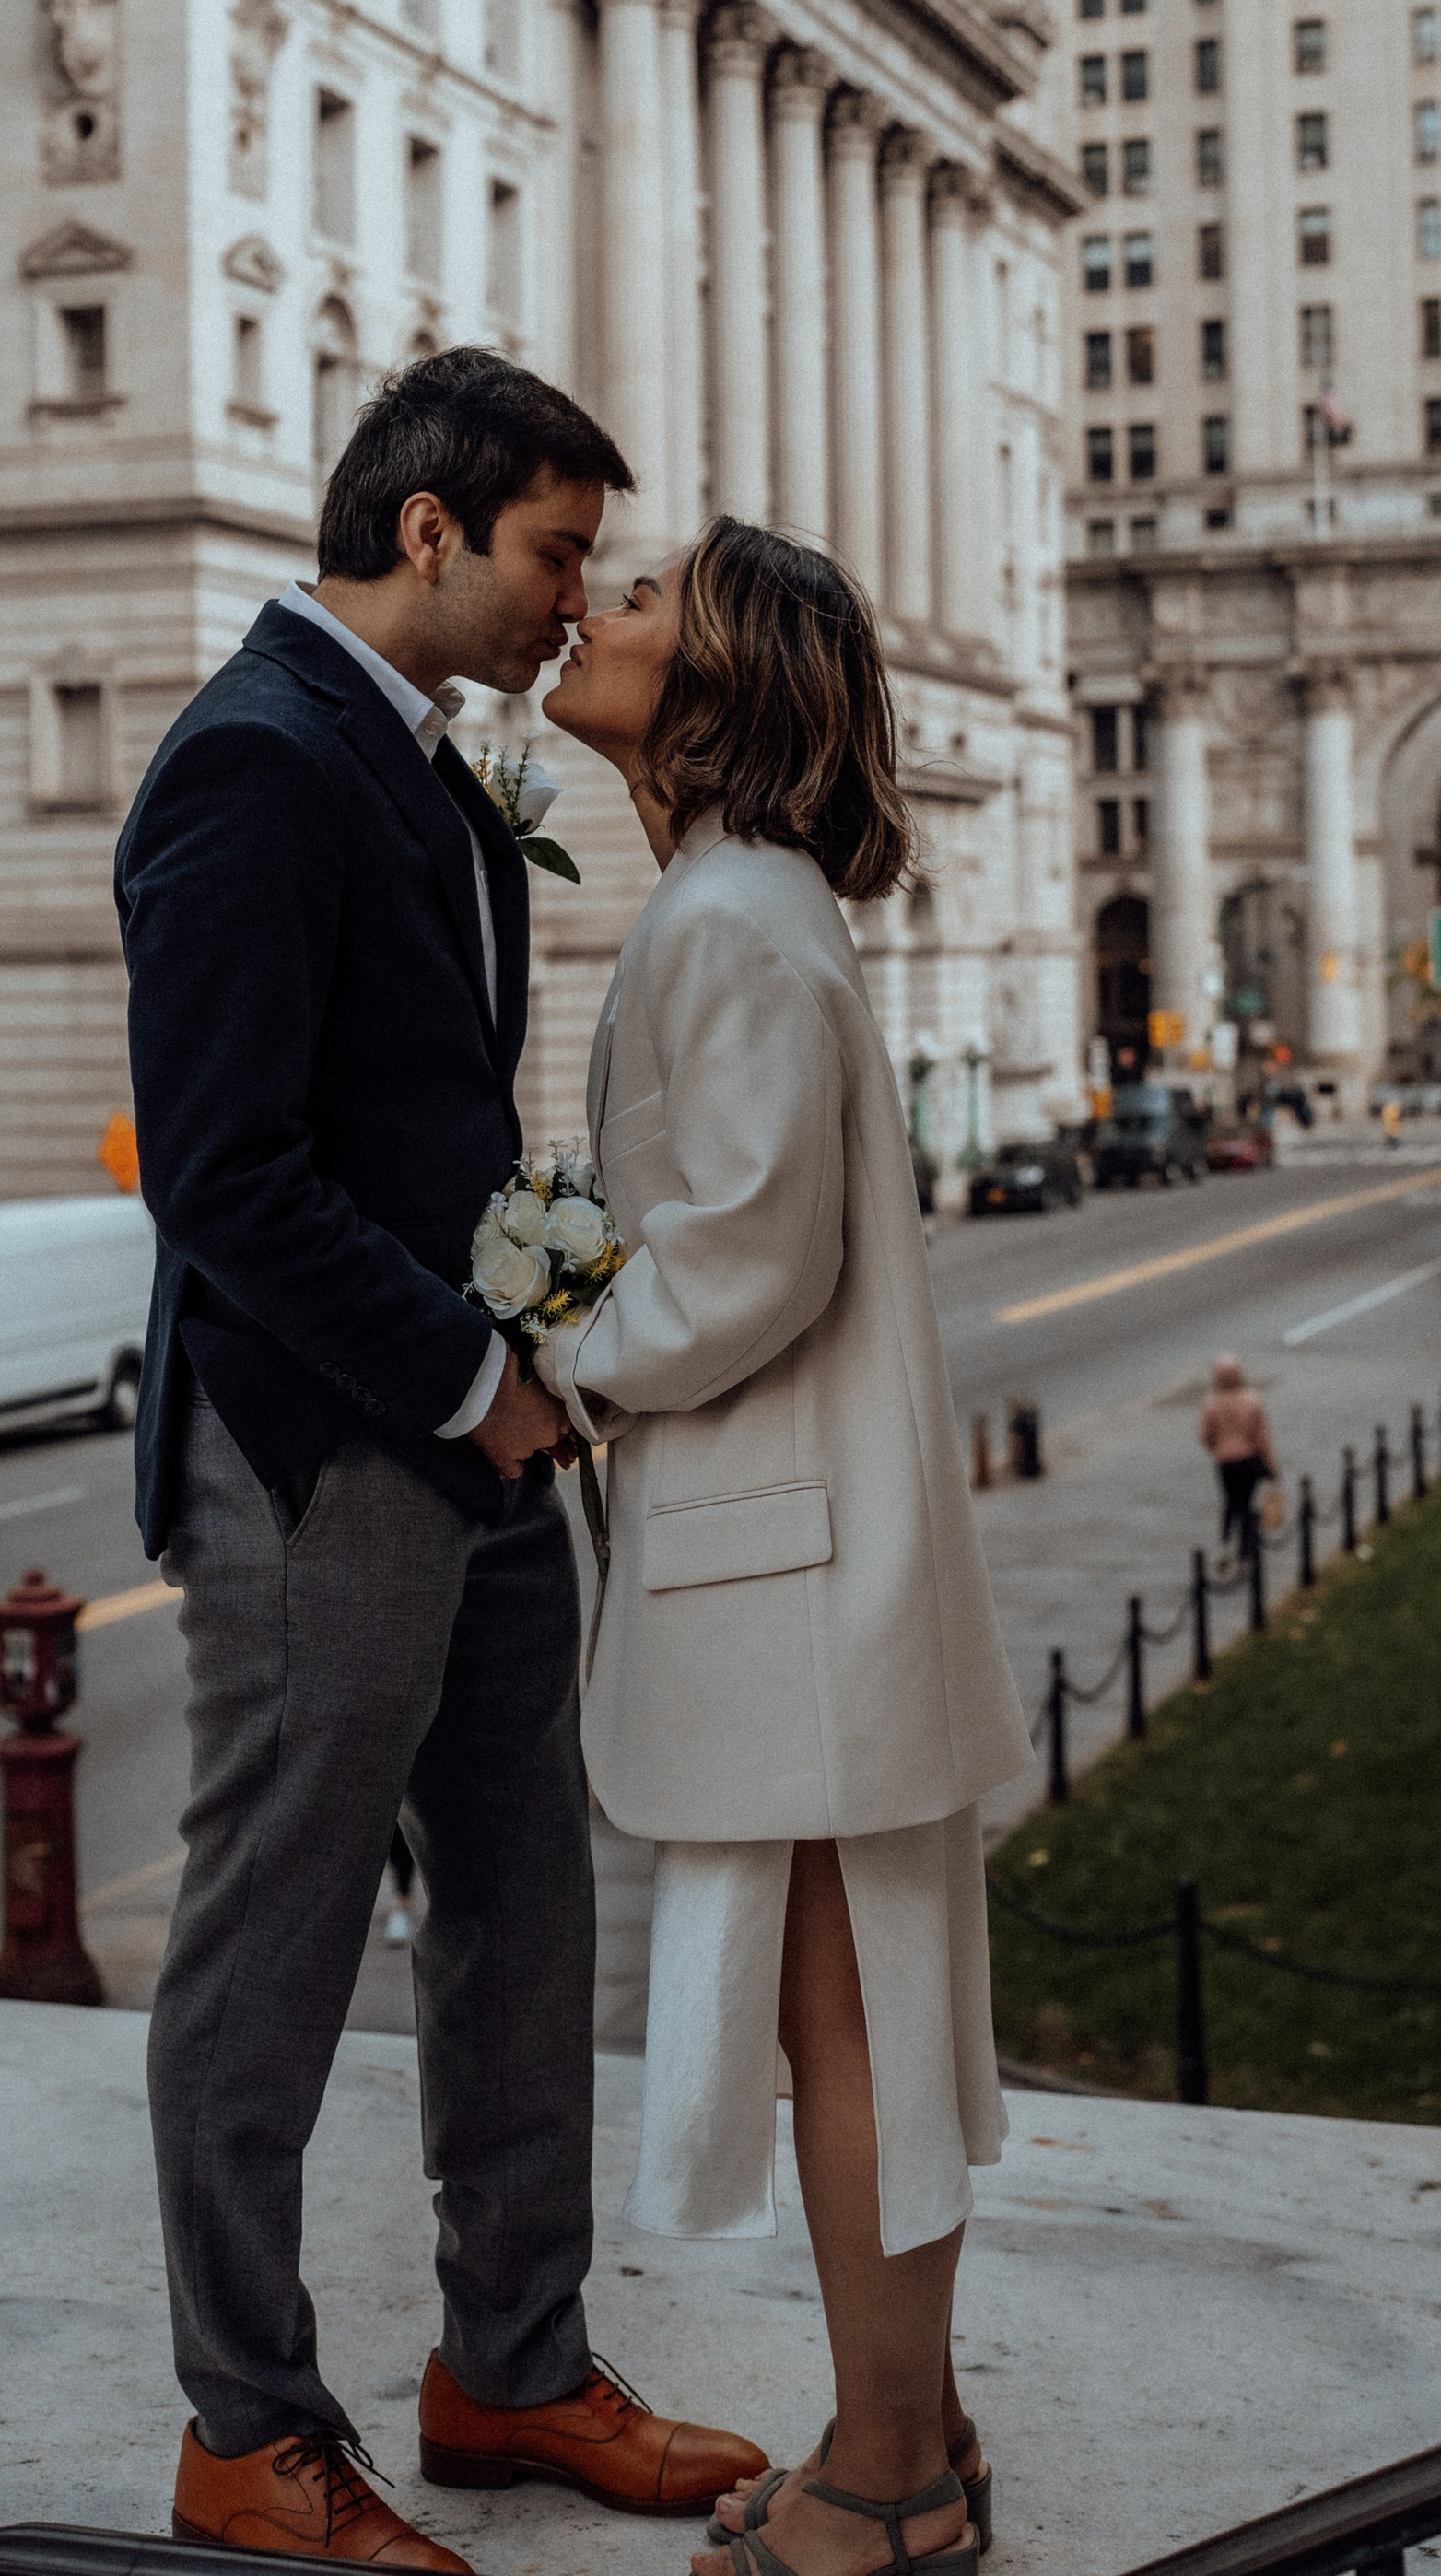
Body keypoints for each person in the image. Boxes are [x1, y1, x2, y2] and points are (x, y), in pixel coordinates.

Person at [115, 354, 763, 2568]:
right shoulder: (249, 764)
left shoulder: (420, 763)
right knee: (271, 1931)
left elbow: (431, 1130)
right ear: (427, 527)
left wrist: (536, 1343)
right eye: (555, 552)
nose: (575, 599)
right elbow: (219, 1173)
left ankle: (508, 2361)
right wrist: (461, 1373)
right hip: (323, 1451)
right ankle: (246, 2429)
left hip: (474, 1434)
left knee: (520, 1894)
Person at [539, 518, 1032, 2576]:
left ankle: (890, 2484)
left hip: (797, 1568)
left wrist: (557, 1358)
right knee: (867, 2016)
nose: (590, 606)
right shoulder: (748, 908)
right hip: (816, 1556)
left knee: (849, 2026)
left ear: (718, 681)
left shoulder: (727, 921)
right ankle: (900, 2426)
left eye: (636, 598)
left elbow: (748, 1255)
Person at [1198, 1355, 1276, 1565]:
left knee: (1230, 1501)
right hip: (1248, 1458)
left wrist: (1219, 1447)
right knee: (1247, 1501)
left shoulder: (1212, 1403)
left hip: (1225, 1461)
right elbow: (1260, 1437)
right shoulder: (1251, 1400)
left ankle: (1226, 1541)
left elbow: (1205, 1435)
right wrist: (1270, 1463)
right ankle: (1247, 1544)